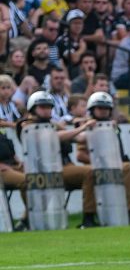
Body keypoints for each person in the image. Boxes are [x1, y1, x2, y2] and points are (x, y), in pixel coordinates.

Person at [17, 91, 98, 229]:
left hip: (63, 166)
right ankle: (88, 218)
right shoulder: (26, 125)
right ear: (33, 108)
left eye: (49, 107)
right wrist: (82, 128)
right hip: (42, 170)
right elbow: (51, 136)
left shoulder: (52, 124)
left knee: (93, 171)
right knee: (89, 172)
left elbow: (80, 138)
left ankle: (26, 221)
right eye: (42, 107)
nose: (47, 110)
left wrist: (97, 126)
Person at [74, 92, 130, 224]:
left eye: (106, 108)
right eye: (100, 108)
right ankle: (88, 217)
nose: (103, 111)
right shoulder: (87, 127)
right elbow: (80, 155)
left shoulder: (113, 127)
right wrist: (102, 162)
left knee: (129, 167)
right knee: (90, 173)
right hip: (96, 164)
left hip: (116, 164)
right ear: (92, 110)